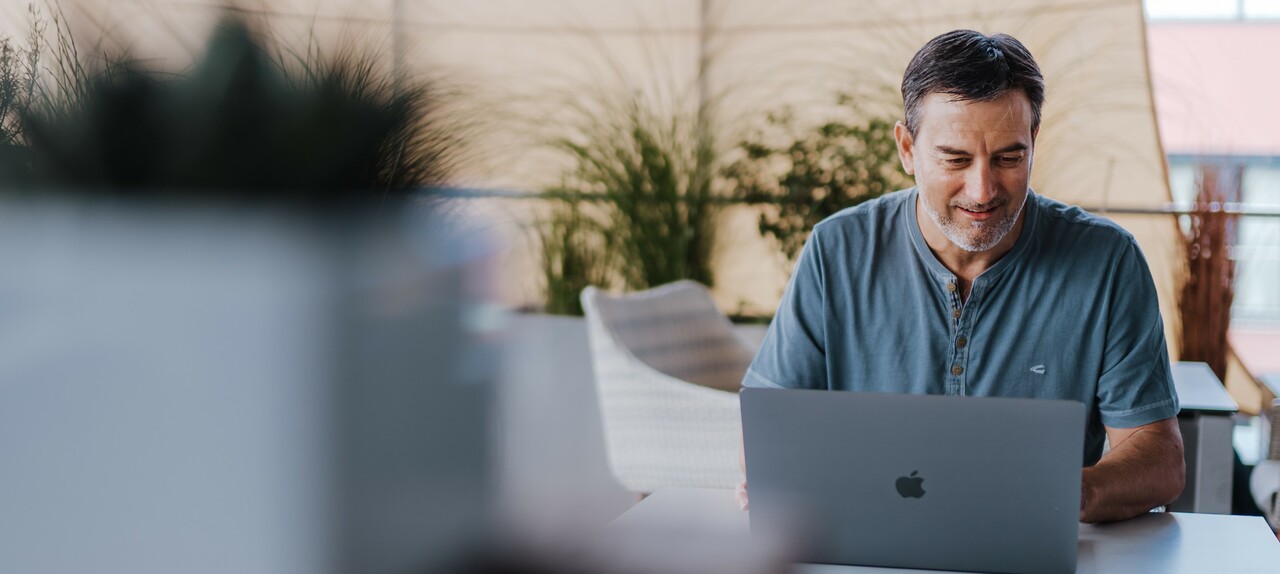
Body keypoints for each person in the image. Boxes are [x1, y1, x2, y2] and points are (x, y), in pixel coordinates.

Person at [736, 29, 1184, 524]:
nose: (983, 188)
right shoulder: (835, 251)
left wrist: (1071, 492)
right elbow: (764, 432)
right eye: (955, 159)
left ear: (1034, 141)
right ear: (907, 148)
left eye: (1009, 158)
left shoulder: (1108, 262)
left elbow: (1160, 457)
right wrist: (781, 478)